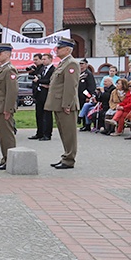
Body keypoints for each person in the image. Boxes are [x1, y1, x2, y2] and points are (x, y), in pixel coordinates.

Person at [45, 37, 81, 169]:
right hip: (59, 103)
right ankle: (66, 156)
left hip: (66, 105)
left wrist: (67, 104)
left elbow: (70, 86)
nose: (56, 50)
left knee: (69, 133)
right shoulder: (63, 63)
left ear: (68, 49)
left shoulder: (71, 63)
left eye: (59, 48)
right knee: (63, 132)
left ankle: (69, 159)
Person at [28, 53, 54, 141]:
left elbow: (50, 81)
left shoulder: (53, 69)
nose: (43, 61)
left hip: (47, 94)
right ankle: (39, 133)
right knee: (39, 114)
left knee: (46, 115)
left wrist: (39, 81)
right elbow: (35, 77)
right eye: (42, 59)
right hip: (39, 94)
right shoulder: (42, 68)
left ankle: (47, 134)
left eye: (45, 59)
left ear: (50, 59)